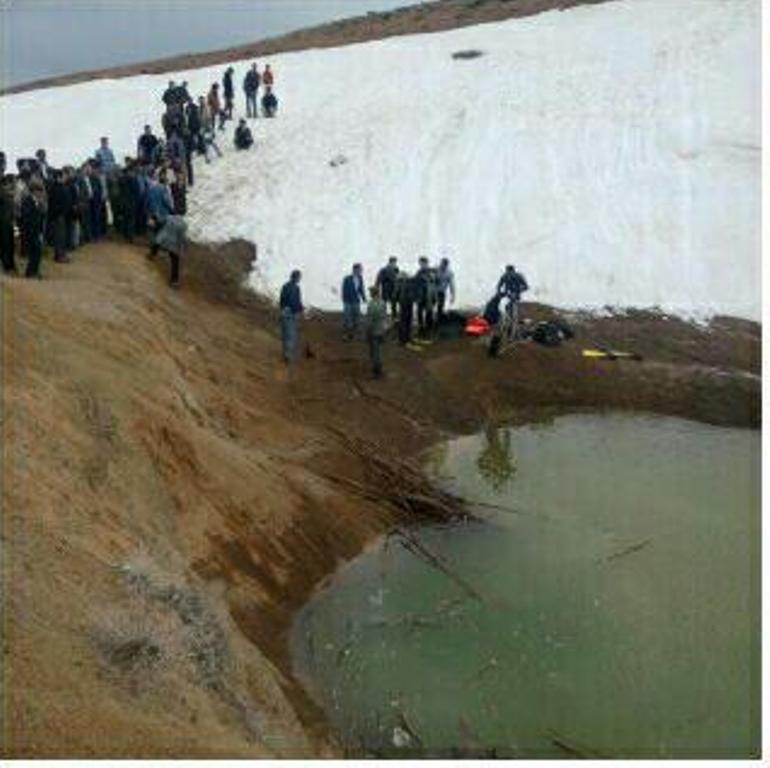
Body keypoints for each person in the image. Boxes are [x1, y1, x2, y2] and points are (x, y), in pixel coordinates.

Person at [21, 178, 46, 279]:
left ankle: (33, 271)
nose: (41, 193)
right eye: (39, 191)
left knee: (37, 252)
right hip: (30, 231)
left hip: (36, 230)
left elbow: (40, 216)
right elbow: (27, 217)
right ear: (34, 191)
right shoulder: (28, 201)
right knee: (35, 252)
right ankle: (30, 272)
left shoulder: (37, 201)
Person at [279, 269, 304, 364]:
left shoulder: (297, 288)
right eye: (299, 277)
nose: (299, 279)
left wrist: (301, 309)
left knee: (292, 333)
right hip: (288, 312)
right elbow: (282, 300)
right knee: (288, 333)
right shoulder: (286, 287)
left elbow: (298, 300)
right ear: (294, 277)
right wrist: (284, 310)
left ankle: (289, 353)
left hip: (294, 313)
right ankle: (287, 355)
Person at [365, 285, 389, 379]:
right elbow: (385, 316)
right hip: (381, 330)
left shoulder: (371, 305)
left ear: (372, 293)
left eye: (370, 292)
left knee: (374, 351)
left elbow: (369, 321)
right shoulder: (383, 302)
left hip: (373, 331)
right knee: (378, 350)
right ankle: (378, 368)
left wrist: (367, 332)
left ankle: (377, 371)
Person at [342, 263, 367, 340]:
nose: (361, 271)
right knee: (348, 317)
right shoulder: (347, 278)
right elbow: (344, 290)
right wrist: (345, 300)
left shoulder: (360, 278)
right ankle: (347, 334)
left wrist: (364, 298)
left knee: (357, 316)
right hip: (348, 301)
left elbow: (361, 289)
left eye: (361, 270)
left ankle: (355, 333)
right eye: (360, 269)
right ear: (355, 270)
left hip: (356, 300)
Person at [414, 256, 437, 336]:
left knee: (428, 314)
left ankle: (427, 331)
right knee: (420, 313)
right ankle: (422, 330)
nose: (420, 265)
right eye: (420, 263)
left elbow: (433, 284)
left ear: (425, 263)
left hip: (428, 296)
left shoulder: (431, 272)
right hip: (423, 296)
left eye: (421, 263)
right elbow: (415, 283)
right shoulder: (420, 272)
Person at [0, 172, 17, 274]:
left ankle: (11, 265)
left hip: (12, 224)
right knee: (5, 246)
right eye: (13, 182)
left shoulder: (11, 195)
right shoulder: (2, 195)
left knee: (12, 245)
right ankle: (7, 267)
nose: (15, 184)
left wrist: (17, 232)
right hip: (3, 225)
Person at [395, 272, 417, 346]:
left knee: (403, 322)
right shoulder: (412, 282)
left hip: (403, 303)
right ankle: (408, 338)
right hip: (410, 303)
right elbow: (414, 292)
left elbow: (395, 293)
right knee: (408, 321)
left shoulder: (399, 282)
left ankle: (402, 340)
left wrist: (395, 300)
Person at [436, 257, 456, 323]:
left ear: (447, 265)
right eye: (441, 264)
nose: (442, 266)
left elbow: (452, 285)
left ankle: (438, 321)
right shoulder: (436, 269)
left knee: (440, 307)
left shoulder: (449, 273)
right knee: (429, 308)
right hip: (433, 291)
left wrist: (452, 296)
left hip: (441, 292)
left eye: (444, 265)